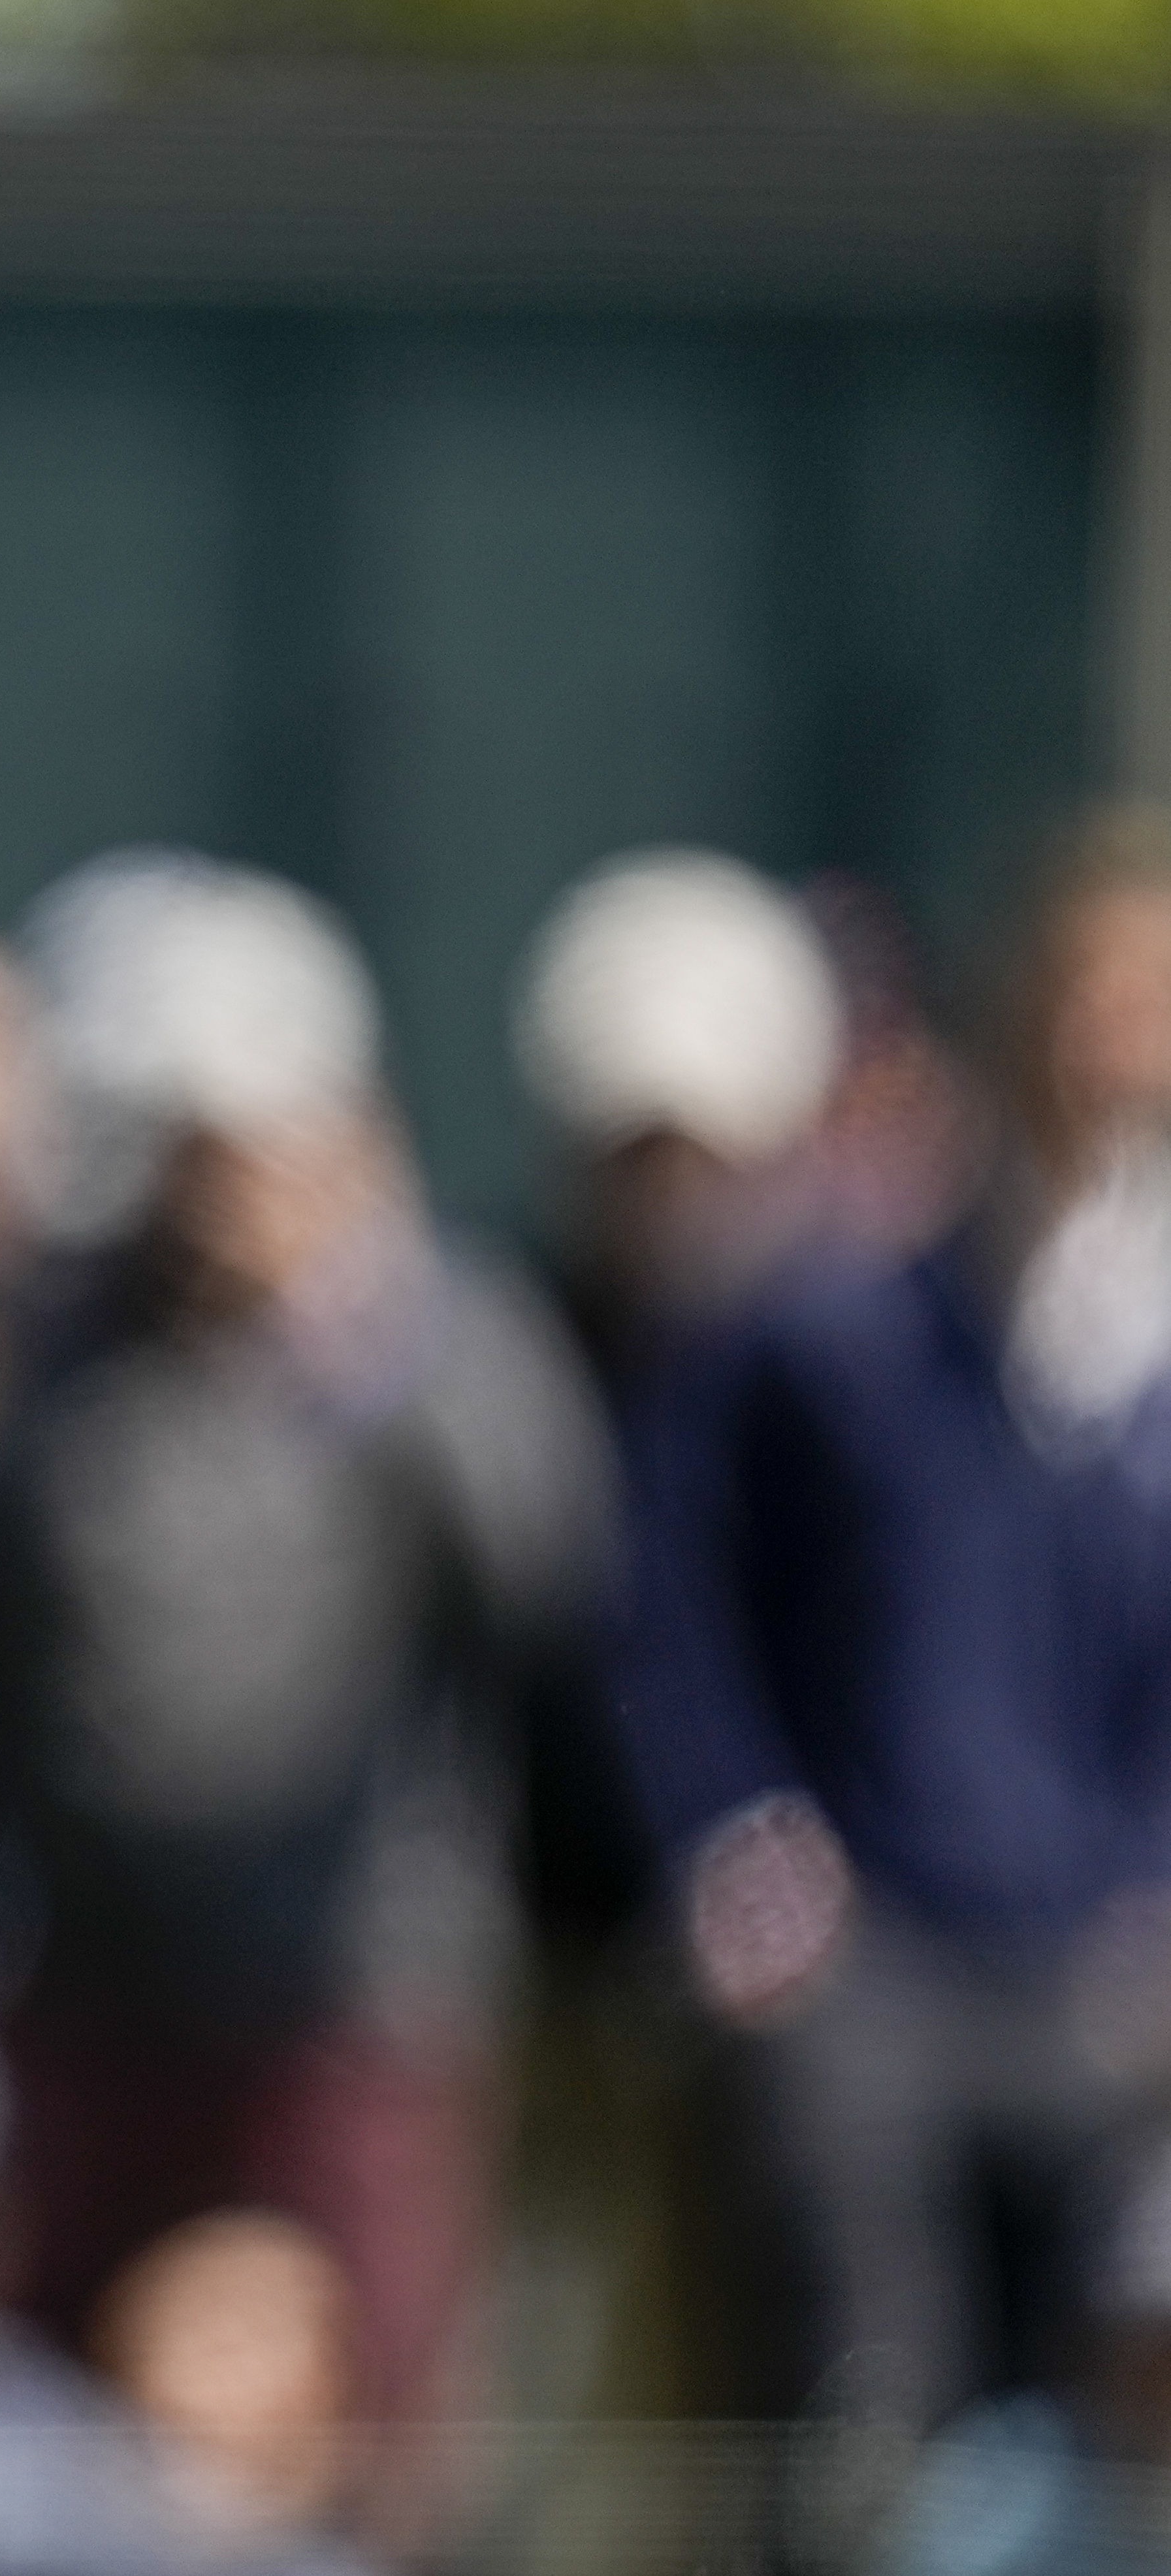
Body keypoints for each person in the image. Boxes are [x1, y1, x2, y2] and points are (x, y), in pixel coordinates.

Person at [0, 855, 611, 2519]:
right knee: (52, 2448)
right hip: (85, 1998)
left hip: (350, 2008)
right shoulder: (60, 1358)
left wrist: (354, 1303)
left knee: (373, 2456)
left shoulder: (433, 1337)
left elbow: (552, 1567)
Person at [614, 816, 1171, 2434]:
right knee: (871, 2407)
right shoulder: (840, 1324)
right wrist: (740, 1842)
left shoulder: (1132, 1361)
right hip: (885, 1974)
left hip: (1100, 1975)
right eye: (1093, 995)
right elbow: (673, 1587)